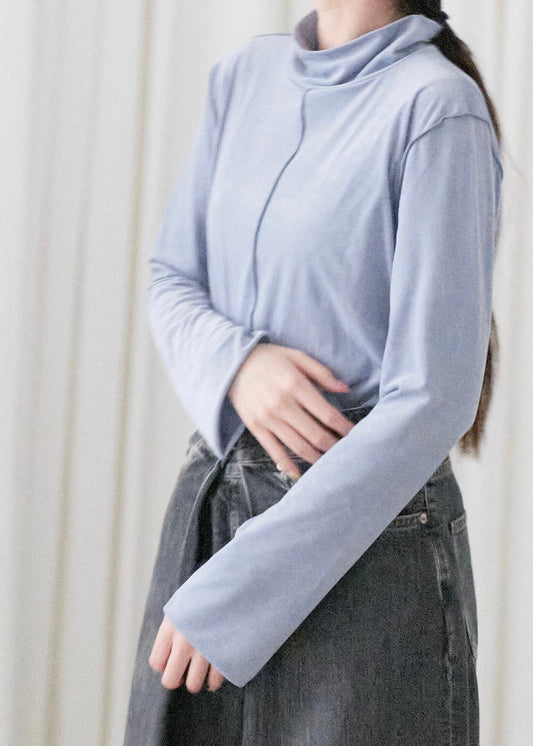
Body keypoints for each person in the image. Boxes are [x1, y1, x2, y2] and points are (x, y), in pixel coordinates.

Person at [123, 1, 503, 743]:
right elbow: (171, 276)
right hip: (211, 517)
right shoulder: (243, 77)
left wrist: (238, 590)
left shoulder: (438, 107)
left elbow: (434, 399)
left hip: (372, 553)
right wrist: (239, 362)